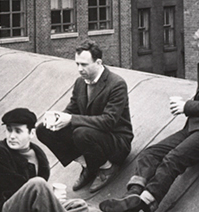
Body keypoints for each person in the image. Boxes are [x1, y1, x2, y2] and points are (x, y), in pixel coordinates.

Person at [100, 23, 199, 212]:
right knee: (150, 154)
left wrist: (187, 106)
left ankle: (143, 203)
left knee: (173, 159)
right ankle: (131, 200)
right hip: (195, 127)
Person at [0, 107, 111, 212]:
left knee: (78, 206)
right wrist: (49, 197)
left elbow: (35, 197)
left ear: (31, 133)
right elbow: (17, 191)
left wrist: (50, 200)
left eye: (18, 131)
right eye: (9, 130)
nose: (11, 136)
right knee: (38, 184)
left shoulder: (38, 155)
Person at [35, 40, 133, 193]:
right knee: (43, 129)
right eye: (77, 64)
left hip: (115, 141)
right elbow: (72, 108)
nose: (80, 69)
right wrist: (57, 118)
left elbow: (109, 121)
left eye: (84, 65)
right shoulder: (80, 82)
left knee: (81, 133)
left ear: (98, 62)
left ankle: (107, 167)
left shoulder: (116, 84)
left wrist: (71, 120)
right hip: (90, 134)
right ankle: (89, 165)